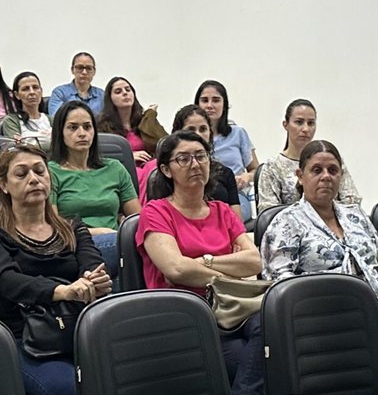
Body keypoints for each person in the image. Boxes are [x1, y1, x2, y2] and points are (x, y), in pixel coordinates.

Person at [260, 140, 378, 395]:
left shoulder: (356, 217)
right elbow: (281, 283)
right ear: (300, 176)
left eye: (333, 170)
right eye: (317, 170)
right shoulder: (286, 222)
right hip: (332, 317)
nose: (326, 177)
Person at [138, 129, 265, 395]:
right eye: (183, 159)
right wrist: (227, 269)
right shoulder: (156, 212)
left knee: (273, 323)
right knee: (255, 357)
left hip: (232, 311)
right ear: (166, 169)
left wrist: (204, 261)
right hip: (185, 316)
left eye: (201, 156)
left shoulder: (222, 211)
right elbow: (176, 269)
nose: (195, 164)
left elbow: (254, 260)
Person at [0, 146, 111, 395]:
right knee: (68, 388)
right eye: (21, 174)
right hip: (20, 338)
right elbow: (7, 280)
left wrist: (93, 281)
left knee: (128, 372)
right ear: (3, 185)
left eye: (39, 171)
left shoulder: (72, 226)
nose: (33, 179)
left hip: (75, 329)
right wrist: (63, 291)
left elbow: (92, 263)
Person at [49, 99, 140, 277]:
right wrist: (98, 232)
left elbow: (137, 219)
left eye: (87, 127)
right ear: (60, 133)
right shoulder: (50, 172)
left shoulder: (114, 168)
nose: (82, 133)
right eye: (73, 128)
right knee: (125, 246)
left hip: (116, 241)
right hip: (75, 243)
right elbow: (53, 226)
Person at [255, 98, 362, 214]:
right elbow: (268, 213)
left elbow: (352, 201)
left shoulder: (330, 160)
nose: (305, 129)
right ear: (286, 125)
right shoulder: (273, 167)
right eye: (299, 122)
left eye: (311, 123)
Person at [143, 106, 240, 208]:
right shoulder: (157, 206)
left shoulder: (225, 174)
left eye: (203, 129)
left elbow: (236, 216)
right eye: (191, 129)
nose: (198, 134)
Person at [194, 79, 259, 221]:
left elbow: (256, 170)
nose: (210, 105)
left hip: (235, 195)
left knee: (226, 218)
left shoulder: (238, 133)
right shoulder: (189, 138)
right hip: (198, 194)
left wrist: (246, 177)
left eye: (216, 100)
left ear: (224, 105)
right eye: (204, 100)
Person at [95, 75, 159, 187]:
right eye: (118, 91)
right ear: (110, 98)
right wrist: (128, 157)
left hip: (148, 169)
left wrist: (150, 116)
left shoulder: (143, 121)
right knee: (139, 173)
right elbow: (99, 156)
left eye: (128, 90)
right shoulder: (101, 125)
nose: (125, 93)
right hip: (120, 171)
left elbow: (163, 144)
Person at [2, 72, 53, 146]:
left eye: (35, 87)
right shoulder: (11, 121)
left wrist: (27, 143)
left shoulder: (52, 120)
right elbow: (18, 149)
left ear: (41, 91)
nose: (32, 92)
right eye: (25, 89)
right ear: (17, 95)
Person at [45, 50, 102, 116]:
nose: (84, 72)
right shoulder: (60, 93)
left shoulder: (102, 95)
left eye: (89, 68)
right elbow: (57, 119)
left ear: (94, 71)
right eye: (80, 68)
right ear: (72, 70)